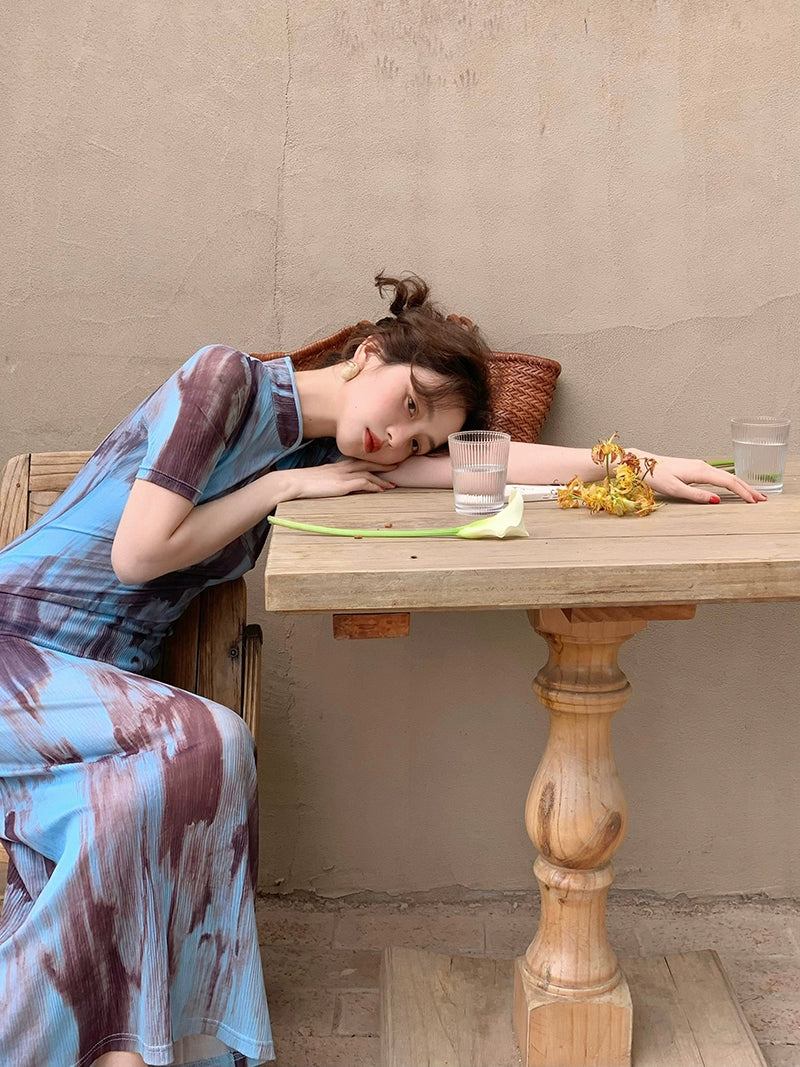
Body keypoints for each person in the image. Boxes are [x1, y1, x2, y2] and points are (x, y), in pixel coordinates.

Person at [0, 274, 765, 1067]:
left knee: (128, 810)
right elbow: (136, 554)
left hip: (101, 692)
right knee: (210, 741)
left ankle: (125, 1048)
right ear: (370, 353)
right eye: (409, 404)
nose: (400, 439)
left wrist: (636, 464)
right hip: (17, 650)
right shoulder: (223, 380)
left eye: (420, 439)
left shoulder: (326, 453)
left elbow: (490, 464)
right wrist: (278, 487)